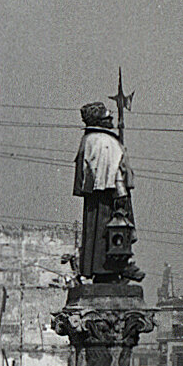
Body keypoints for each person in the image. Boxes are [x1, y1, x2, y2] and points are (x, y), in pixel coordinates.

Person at [72, 101, 139, 282]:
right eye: (108, 118)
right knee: (109, 231)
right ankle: (111, 268)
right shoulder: (106, 141)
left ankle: (96, 267)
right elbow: (114, 172)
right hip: (109, 196)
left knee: (95, 233)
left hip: (94, 196)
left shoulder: (87, 140)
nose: (111, 120)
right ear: (101, 121)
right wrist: (121, 195)